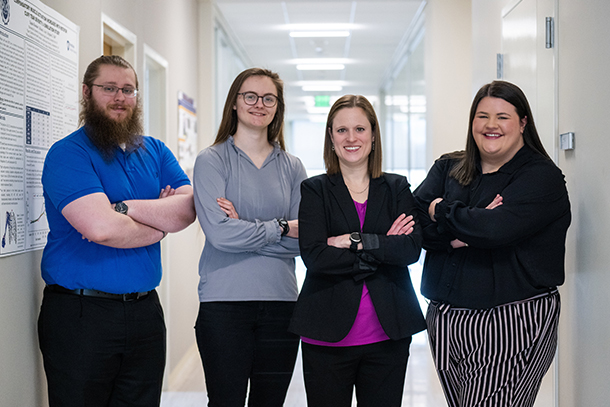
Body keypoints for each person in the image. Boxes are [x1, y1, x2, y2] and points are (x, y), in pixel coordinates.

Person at [38, 55, 196, 407]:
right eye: (108, 88)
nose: (119, 97)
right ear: (86, 92)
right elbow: (102, 228)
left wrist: (124, 208)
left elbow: (187, 209)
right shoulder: (68, 154)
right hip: (81, 316)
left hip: (145, 314)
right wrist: (158, 223)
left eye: (127, 90)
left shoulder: (153, 150)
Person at [413, 80, 571, 407]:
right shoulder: (448, 167)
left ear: (523, 122)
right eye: (482, 116)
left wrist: (440, 210)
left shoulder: (541, 177)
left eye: (502, 116)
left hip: (511, 318)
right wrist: (463, 230)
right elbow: (413, 224)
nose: (490, 125)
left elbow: (495, 230)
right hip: (445, 318)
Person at [289, 95, 426, 407]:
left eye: (360, 129)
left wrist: (353, 240)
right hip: (326, 333)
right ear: (330, 137)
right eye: (342, 130)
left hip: (388, 333)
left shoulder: (396, 188)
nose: (351, 138)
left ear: (374, 135)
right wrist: (382, 244)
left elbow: (409, 249)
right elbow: (315, 256)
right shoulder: (315, 190)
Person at [192, 68, 307, 406]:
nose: (259, 104)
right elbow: (219, 236)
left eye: (268, 98)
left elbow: (304, 242)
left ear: (277, 107)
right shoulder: (211, 161)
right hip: (223, 305)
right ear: (235, 103)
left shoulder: (293, 166)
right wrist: (281, 226)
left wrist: (244, 225)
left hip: (281, 304)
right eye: (250, 96)